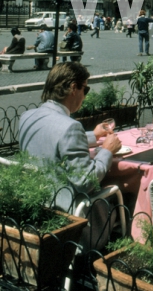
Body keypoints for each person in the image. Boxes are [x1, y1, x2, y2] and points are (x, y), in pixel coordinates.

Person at [18, 62, 121, 206]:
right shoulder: (71, 127)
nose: (84, 96)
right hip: (67, 210)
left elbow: (52, 138)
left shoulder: (26, 117)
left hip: (33, 202)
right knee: (124, 196)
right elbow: (86, 182)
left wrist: (94, 135)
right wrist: (107, 151)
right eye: (85, 89)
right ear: (73, 88)